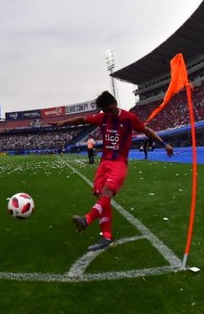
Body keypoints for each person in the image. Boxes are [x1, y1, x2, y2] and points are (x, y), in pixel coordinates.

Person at [50, 91, 173, 251]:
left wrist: (164, 145)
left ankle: (86, 219)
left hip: (119, 163)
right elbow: (82, 119)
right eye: (104, 111)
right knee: (103, 197)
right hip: (104, 163)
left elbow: (146, 131)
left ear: (114, 104)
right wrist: (63, 122)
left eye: (108, 110)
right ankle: (106, 237)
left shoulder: (129, 118)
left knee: (107, 193)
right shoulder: (103, 117)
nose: (106, 114)